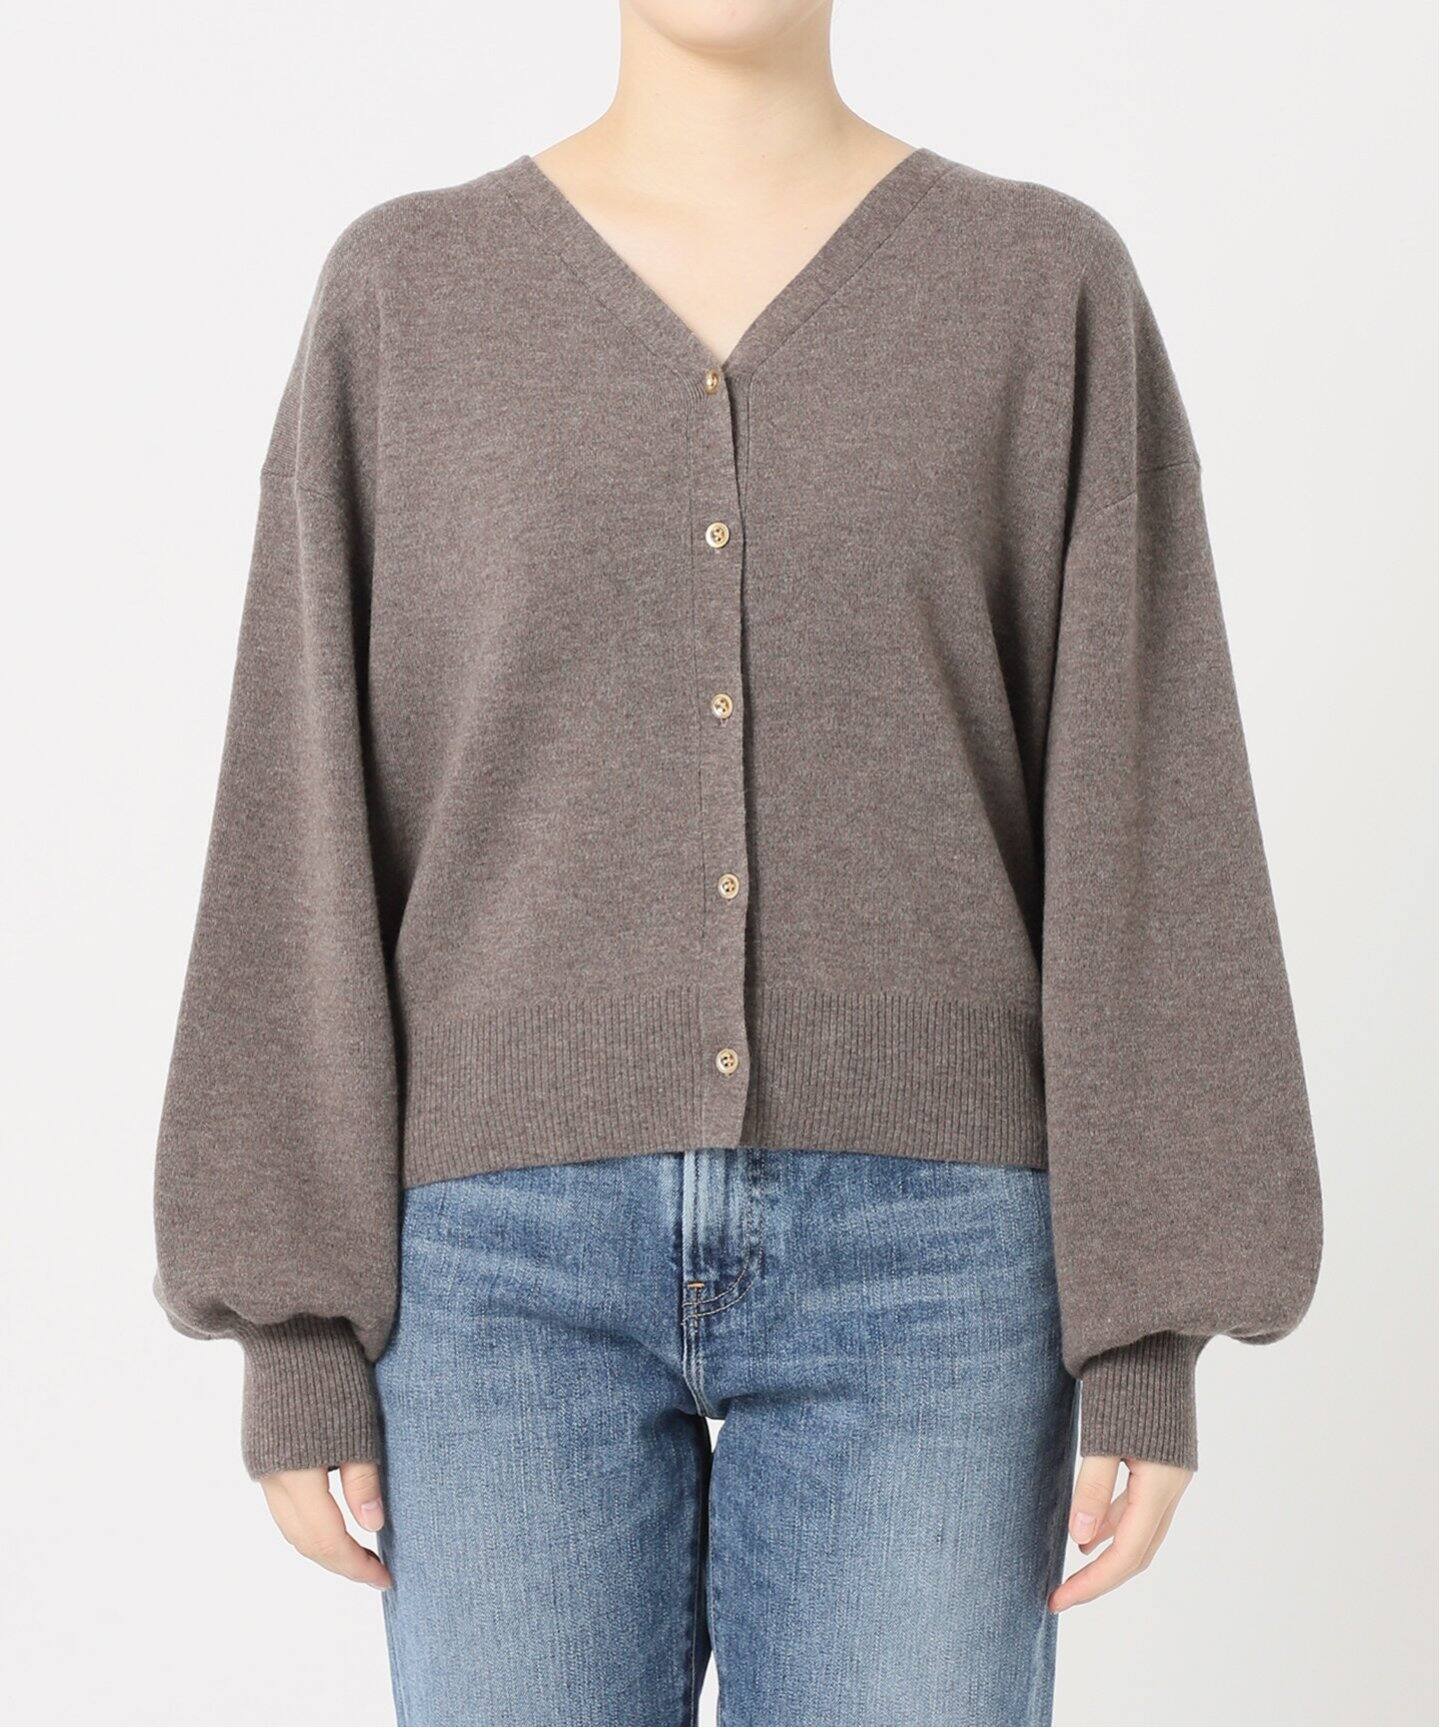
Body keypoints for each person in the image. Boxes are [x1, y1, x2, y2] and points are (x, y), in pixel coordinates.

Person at [152, 2, 1323, 1723]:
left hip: (936, 1264)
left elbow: (1148, 806)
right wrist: (294, 1325)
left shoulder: (1038, 288)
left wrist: (1150, 1325)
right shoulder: (409, 296)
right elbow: (301, 800)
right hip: (498, 1271)